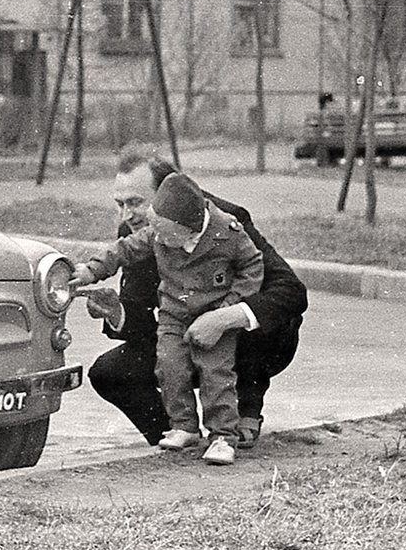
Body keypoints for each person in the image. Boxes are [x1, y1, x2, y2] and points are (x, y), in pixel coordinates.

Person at [81, 147, 307, 452]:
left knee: (264, 312)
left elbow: (290, 291)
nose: (127, 215)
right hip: (184, 330)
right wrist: (117, 312)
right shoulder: (137, 231)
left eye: (135, 203)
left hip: (241, 340)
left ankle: (247, 411)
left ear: (168, 194)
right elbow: (144, 324)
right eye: (120, 204)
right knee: (109, 373)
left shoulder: (227, 222)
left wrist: (223, 317)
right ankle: (178, 435)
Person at [74, 170, 263, 465]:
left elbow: (253, 267)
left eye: (164, 234)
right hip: (173, 314)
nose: (158, 238)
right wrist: (92, 270)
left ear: (190, 228)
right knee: (170, 367)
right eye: (156, 231)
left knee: (216, 374)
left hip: (214, 315)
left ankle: (224, 436)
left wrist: (230, 306)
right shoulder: (159, 231)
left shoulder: (227, 231)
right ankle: (184, 426)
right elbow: (124, 249)